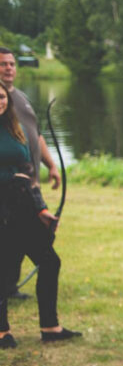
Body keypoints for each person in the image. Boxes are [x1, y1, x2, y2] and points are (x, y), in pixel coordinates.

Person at [0, 82, 80, 348]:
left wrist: (41, 209)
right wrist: (10, 178)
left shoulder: (16, 129)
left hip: (23, 205)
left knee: (49, 261)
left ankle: (50, 327)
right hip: (2, 209)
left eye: (1, 97)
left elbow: (28, 172)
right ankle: (1, 332)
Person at [0, 47, 62, 302]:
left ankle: (9, 288)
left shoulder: (21, 100)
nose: (9, 68)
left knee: (33, 239)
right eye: (3, 64)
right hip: (7, 191)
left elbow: (34, 136)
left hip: (28, 187)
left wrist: (51, 165)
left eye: (12, 64)